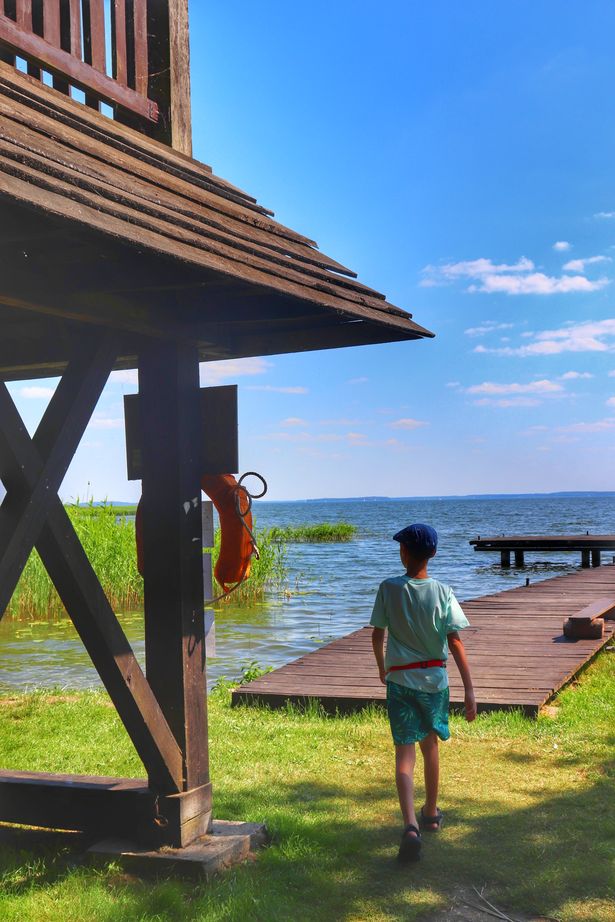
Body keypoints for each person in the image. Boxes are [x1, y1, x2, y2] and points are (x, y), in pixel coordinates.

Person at [370, 523, 476, 863]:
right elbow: (455, 641)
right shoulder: (443, 592)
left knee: (404, 755)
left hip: (400, 682)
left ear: (403, 552)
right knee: (430, 746)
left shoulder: (389, 588)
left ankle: (410, 826)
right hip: (434, 681)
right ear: (433, 553)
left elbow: (376, 635)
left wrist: (381, 668)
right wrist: (469, 689)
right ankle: (430, 812)